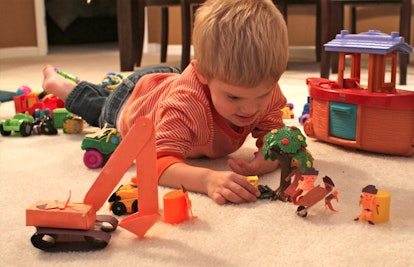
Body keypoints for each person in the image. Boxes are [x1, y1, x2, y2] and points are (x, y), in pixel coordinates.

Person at [42, 0, 289, 205]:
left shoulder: (266, 89)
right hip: (130, 102)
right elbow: (156, 163)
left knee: (108, 92)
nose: (250, 108)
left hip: (166, 80)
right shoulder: (186, 105)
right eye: (234, 97)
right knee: (99, 109)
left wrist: (269, 158)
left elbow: (275, 133)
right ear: (202, 73)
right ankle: (63, 87)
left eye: (262, 94)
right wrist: (206, 179)